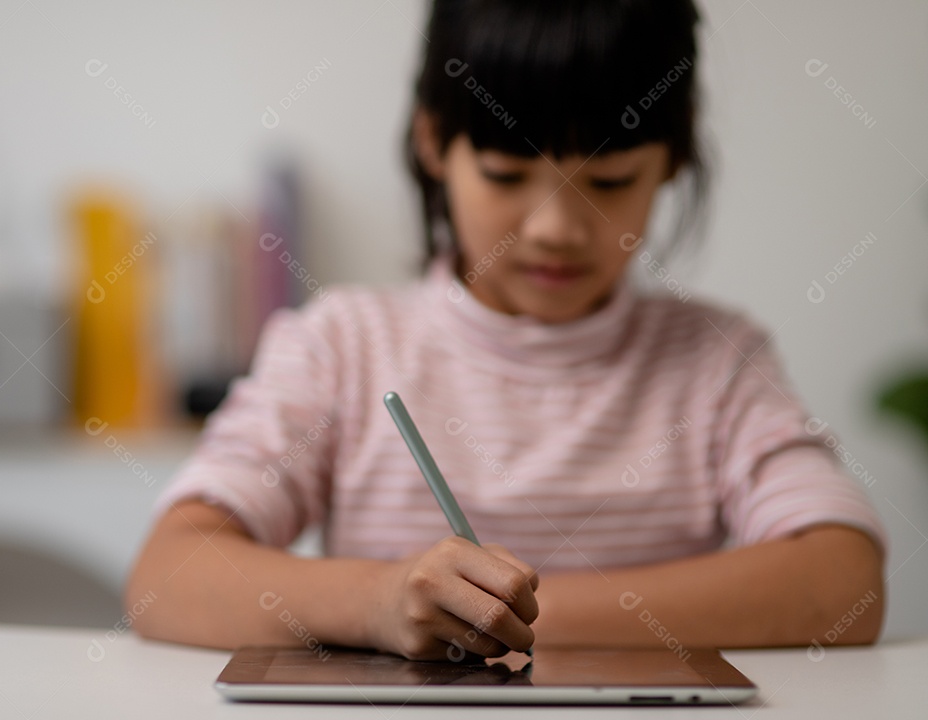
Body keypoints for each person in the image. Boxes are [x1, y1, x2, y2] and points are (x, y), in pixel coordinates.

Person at [126, 0, 885, 661]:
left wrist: (519, 619)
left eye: (611, 181)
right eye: (505, 174)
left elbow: (842, 582)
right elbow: (167, 578)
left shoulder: (717, 363)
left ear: (675, 156)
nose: (556, 228)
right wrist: (380, 602)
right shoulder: (342, 346)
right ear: (433, 142)